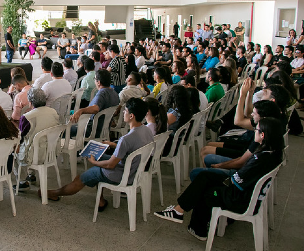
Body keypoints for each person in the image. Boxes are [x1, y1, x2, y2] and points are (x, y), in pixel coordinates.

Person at [155, 117, 284, 241]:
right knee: (205, 176)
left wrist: (221, 179)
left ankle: (197, 228)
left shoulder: (259, 160)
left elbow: (236, 181)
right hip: (244, 192)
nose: (255, 130)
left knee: (208, 190)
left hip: (237, 197)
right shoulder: (272, 153)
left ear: (263, 136)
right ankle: (179, 210)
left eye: (257, 129)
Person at [46, 98, 154, 208]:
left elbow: (110, 164)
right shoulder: (146, 131)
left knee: (83, 177)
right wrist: (113, 145)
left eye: (125, 111)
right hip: (134, 171)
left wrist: (94, 162)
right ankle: (100, 199)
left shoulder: (126, 139)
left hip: (120, 174)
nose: (123, 112)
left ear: (131, 116)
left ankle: (54, 193)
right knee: (99, 156)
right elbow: (133, 149)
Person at [16, 87, 61, 189]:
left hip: (33, 155)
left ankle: (22, 181)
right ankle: (31, 175)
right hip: (51, 152)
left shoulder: (27, 117)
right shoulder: (53, 112)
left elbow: (20, 137)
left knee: (15, 149)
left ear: (30, 102)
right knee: (32, 143)